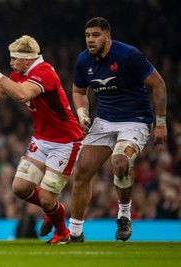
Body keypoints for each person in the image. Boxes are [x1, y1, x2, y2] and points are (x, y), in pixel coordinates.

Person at [0, 35, 83, 245]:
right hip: (42, 139)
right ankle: (51, 210)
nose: (11, 63)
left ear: (27, 59)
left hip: (65, 141)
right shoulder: (20, 72)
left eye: (14, 58)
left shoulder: (44, 73)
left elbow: (22, 95)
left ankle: (62, 233)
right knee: (20, 188)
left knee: (46, 197)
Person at [68, 17, 167, 242]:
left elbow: (158, 83)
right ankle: (74, 233)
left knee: (120, 163)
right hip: (104, 121)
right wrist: (83, 115)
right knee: (83, 171)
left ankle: (124, 214)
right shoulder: (84, 61)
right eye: (87, 36)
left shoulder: (128, 55)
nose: (90, 40)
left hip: (136, 120)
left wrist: (160, 123)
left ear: (108, 36)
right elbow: (78, 91)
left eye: (95, 35)